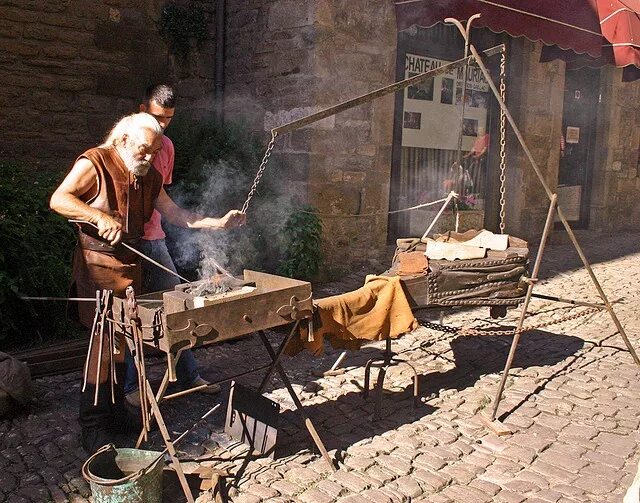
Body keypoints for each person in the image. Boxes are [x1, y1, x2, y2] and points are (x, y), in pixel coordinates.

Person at [49, 112, 246, 454]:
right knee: (103, 348)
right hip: (97, 267)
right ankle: (93, 427)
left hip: (130, 270)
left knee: (124, 344)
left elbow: (175, 214)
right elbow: (60, 199)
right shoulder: (95, 162)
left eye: (154, 152)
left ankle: (114, 415)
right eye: (143, 150)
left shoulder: (149, 176)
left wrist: (217, 223)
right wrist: (97, 216)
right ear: (123, 140)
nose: (149, 157)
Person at [122, 84, 217, 409]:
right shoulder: (120, 145)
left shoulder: (168, 148)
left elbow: (167, 205)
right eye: (157, 118)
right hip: (124, 246)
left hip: (155, 240)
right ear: (141, 109)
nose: (162, 126)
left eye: (169, 120)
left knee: (175, 310)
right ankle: (131, 387)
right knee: (132, 317)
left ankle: (188, 376)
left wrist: (215, 222)